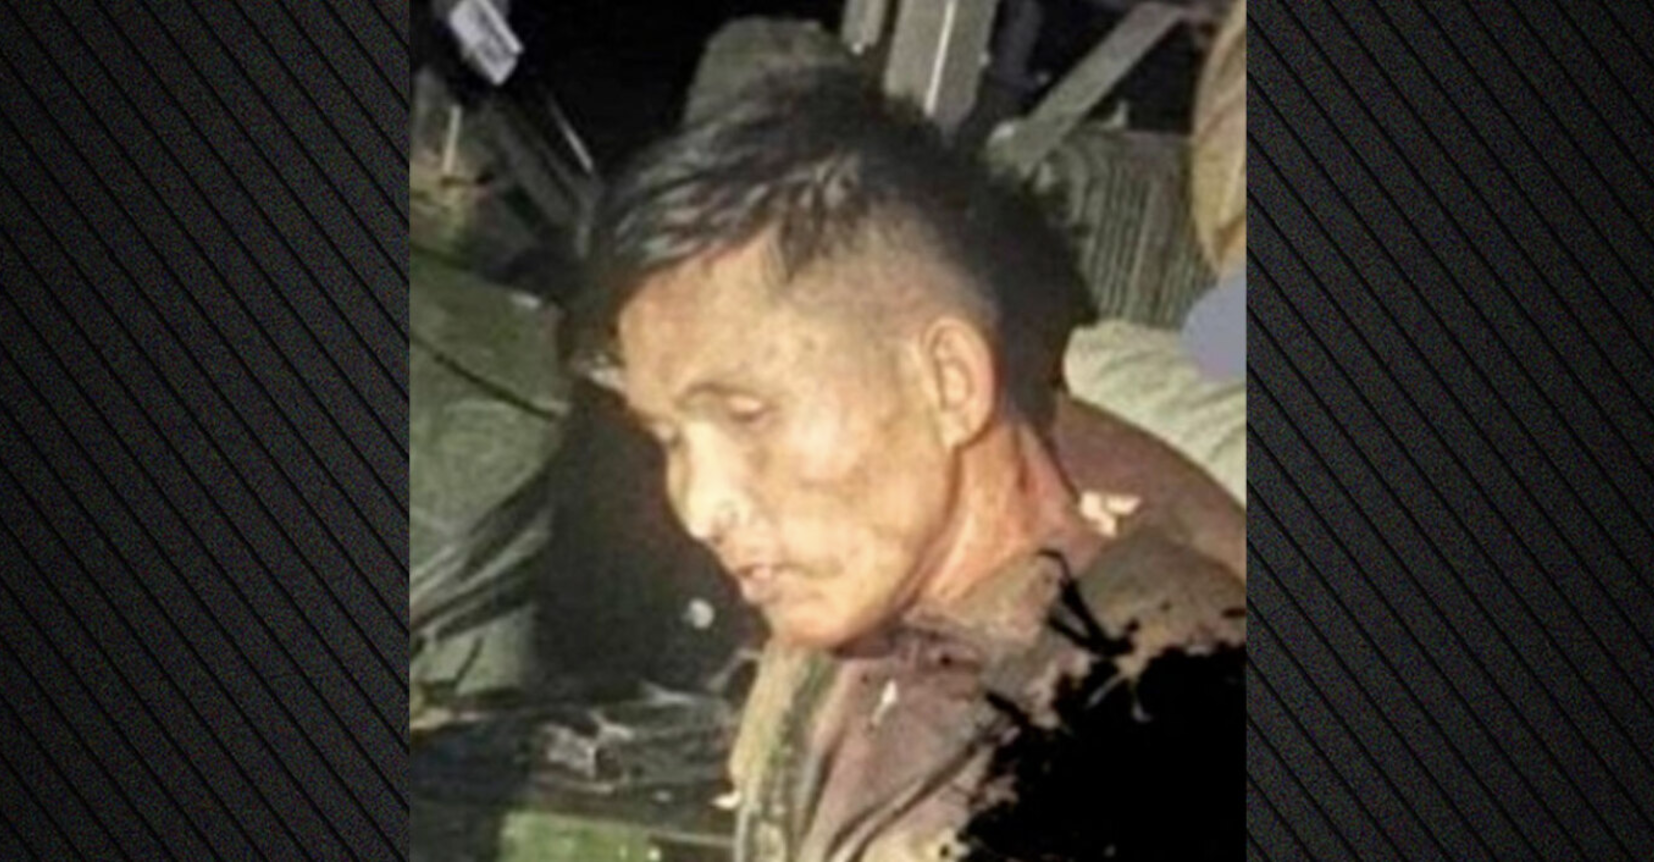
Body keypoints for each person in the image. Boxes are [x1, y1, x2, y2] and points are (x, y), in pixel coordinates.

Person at [580, 69, 1245, 862]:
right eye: (670, 438)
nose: (699, 504)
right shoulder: (858, 593)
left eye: (748, 416)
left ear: (949, 383)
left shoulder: (1154, 708)